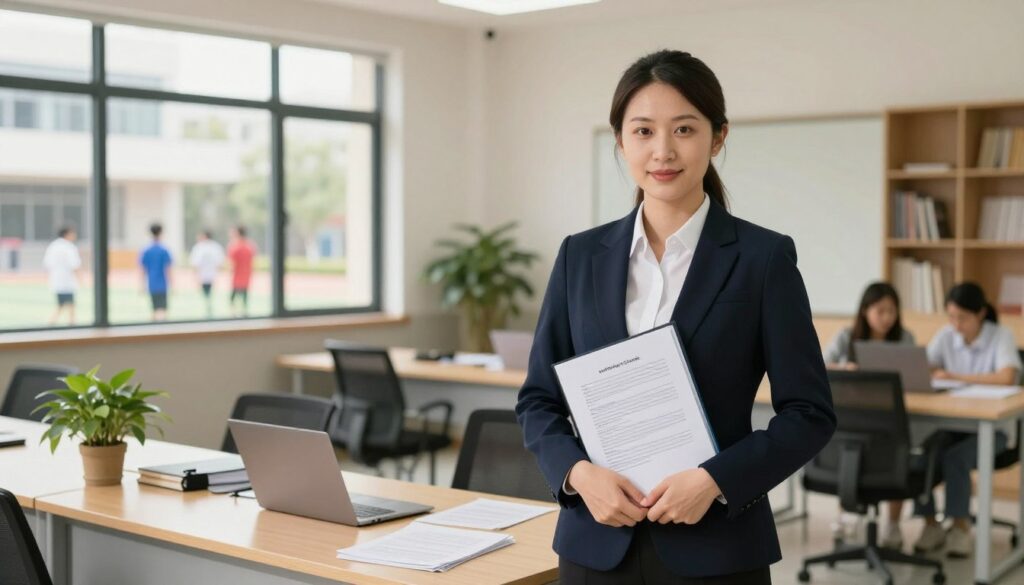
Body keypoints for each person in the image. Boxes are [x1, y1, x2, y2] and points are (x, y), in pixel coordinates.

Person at [516, 50, 836, 584]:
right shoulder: (580, 256)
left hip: (717, 547)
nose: (662, 150)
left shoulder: (763, 259)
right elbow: (538, 399)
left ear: (717, 137)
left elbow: (809, 414)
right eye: (642, 131)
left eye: (684, 129)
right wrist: (576, 474)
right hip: (596, 541)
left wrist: (716, 480)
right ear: (621, 141)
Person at [912, 282, 1022, 558]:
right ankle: (930, 524)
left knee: (956, 457)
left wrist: (954, 376)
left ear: (981, 313)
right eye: (951, 317)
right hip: (952, 423)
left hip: (993, 429)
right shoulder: (947, 334)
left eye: (962, 317)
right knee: (923, 451)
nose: (955, 324)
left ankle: (960, 527)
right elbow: (924, 364)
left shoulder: (1001, 336)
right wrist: (931, 370)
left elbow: (1007, 377)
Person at [822, 282, 915, 548]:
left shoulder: (904, 339)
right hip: (854, 417)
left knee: (898, 451)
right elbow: (819, 366)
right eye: (880, 311)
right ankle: (845, 514)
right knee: (848, 447)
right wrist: (843, 368)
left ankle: (893, 524)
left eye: (892, 311)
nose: (887, 317)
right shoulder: (846, 336)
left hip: (890, 419)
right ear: (865, 311)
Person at [42, 225, 81, 326]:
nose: (74, 235)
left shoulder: (53, 246)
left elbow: (47, 264)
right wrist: (80, 279)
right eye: (73, 233)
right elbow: (75, 265)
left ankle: (70, 323)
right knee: (65, 305)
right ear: (67, 234)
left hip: (57, 280)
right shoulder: (69, 247)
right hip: (67, 281)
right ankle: (66, 323)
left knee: (66, 304)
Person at [140, 222, 172, 321]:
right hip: (162, 284)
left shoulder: (146, 250)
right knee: (163, 310)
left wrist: (141, 285)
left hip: (152, 283)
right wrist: (172, 283)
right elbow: (168, 269)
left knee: (154, 310)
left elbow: (143, 269)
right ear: (161, 233)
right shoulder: (164, 250)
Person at [189, 230, 224, 318]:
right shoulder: (216, 247)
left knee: (206, 293)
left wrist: (195, 275)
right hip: (211, 275)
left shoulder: (199, 247)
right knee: (207, 293)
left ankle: (208, 308)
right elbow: (220, 263)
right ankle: (208, 307)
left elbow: (195, 263)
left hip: (204, 275)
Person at [227, 225, 255, 317]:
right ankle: (244, 311)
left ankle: (233, 312)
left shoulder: (234, 246)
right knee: (244, 294)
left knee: (234, 295)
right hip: (246, 274)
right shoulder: (250, 245)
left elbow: (232, 263)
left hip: (237, 275)